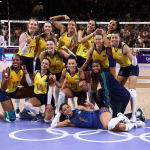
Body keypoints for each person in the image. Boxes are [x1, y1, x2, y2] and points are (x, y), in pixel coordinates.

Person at [50, 102, 145, 132]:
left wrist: (92, 107)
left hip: (101, 114)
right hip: (99, 125)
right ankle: (135, 123)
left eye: (68, 107)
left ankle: (121, 117)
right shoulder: (70, 121)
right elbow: (53, 125)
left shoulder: (78, 108)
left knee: (108, 126)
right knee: (124, 128)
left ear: (70, 107)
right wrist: (58, 113)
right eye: (65, 109)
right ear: (63, 112)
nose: (67, 109)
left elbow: (92, 110)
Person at [40, 39, 75, 113]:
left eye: (51, 44)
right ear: (46, 46)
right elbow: (43, 67)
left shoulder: (59, 52)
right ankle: (55, 106)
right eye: (47, 45)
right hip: (51, 73)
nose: (49, 46)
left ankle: (72, 105)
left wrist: (68, 50)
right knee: (52, 88)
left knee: (63, 89)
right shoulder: (43, 54)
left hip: (61, 72)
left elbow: (72, 58)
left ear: (55, 46)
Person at [110, 31, 139, 121]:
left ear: (119, 38)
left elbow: (134, 64)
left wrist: (134, 56)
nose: (114, 39)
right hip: (123, 69)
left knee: (131, 90)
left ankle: (133, 115)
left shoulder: (124, 47)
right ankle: (117, 111)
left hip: (132, 68)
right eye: (112, 38)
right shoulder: (111, 47)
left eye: (116, 37)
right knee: (116, 89)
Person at [0, 54, 35, 122]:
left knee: (35, 91)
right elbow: (3, 89)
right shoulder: (8, 70)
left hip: (14, 91)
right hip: (3, 92)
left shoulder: (22, 69)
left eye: (17, 60)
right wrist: (6, 79)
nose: (15, 61)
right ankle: (3, 114)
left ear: (21, 61)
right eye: (13, 60)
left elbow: (22, 83)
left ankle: (24, 113)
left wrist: (27, 74)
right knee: (11, 118)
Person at [17, 18, 39, 118]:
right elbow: (23, 52)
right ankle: (17, 109)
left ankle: (25, 111)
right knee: (18, 85)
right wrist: (27, 43)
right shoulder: (23, 35)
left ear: (37, 27)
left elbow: (33, 52)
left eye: (35, 25)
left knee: (28, 86)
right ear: (28, 25)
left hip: (30, 61)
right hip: (22, 60)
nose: (33, 26)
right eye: (31, 24)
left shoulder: (35, 37)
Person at [23, 58, 55, 122]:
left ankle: (53, 110)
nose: (44, 64)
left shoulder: (50, 76)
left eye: (46, 64)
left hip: (47, 97)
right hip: (38, 97)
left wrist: (48, 104)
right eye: (43, 63)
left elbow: (50, 91)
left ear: (48, 66)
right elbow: (30, 84)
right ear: (40, 64)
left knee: (47, 121)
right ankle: (38, 114)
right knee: (26, 105)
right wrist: (26, 74)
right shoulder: (36, 72)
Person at [76, 20, 99, 105]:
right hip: (80, 59)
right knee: (81, 82)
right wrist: (92, 34)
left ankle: (91, 105)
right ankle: (80, 104)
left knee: (89, 83)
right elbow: (80, 40)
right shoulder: (81, 32)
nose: (90, 25)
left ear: (94, 27)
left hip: (89, 60)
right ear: (87, 24)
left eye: (93, 25)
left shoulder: (95, 37)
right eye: (89, 24)